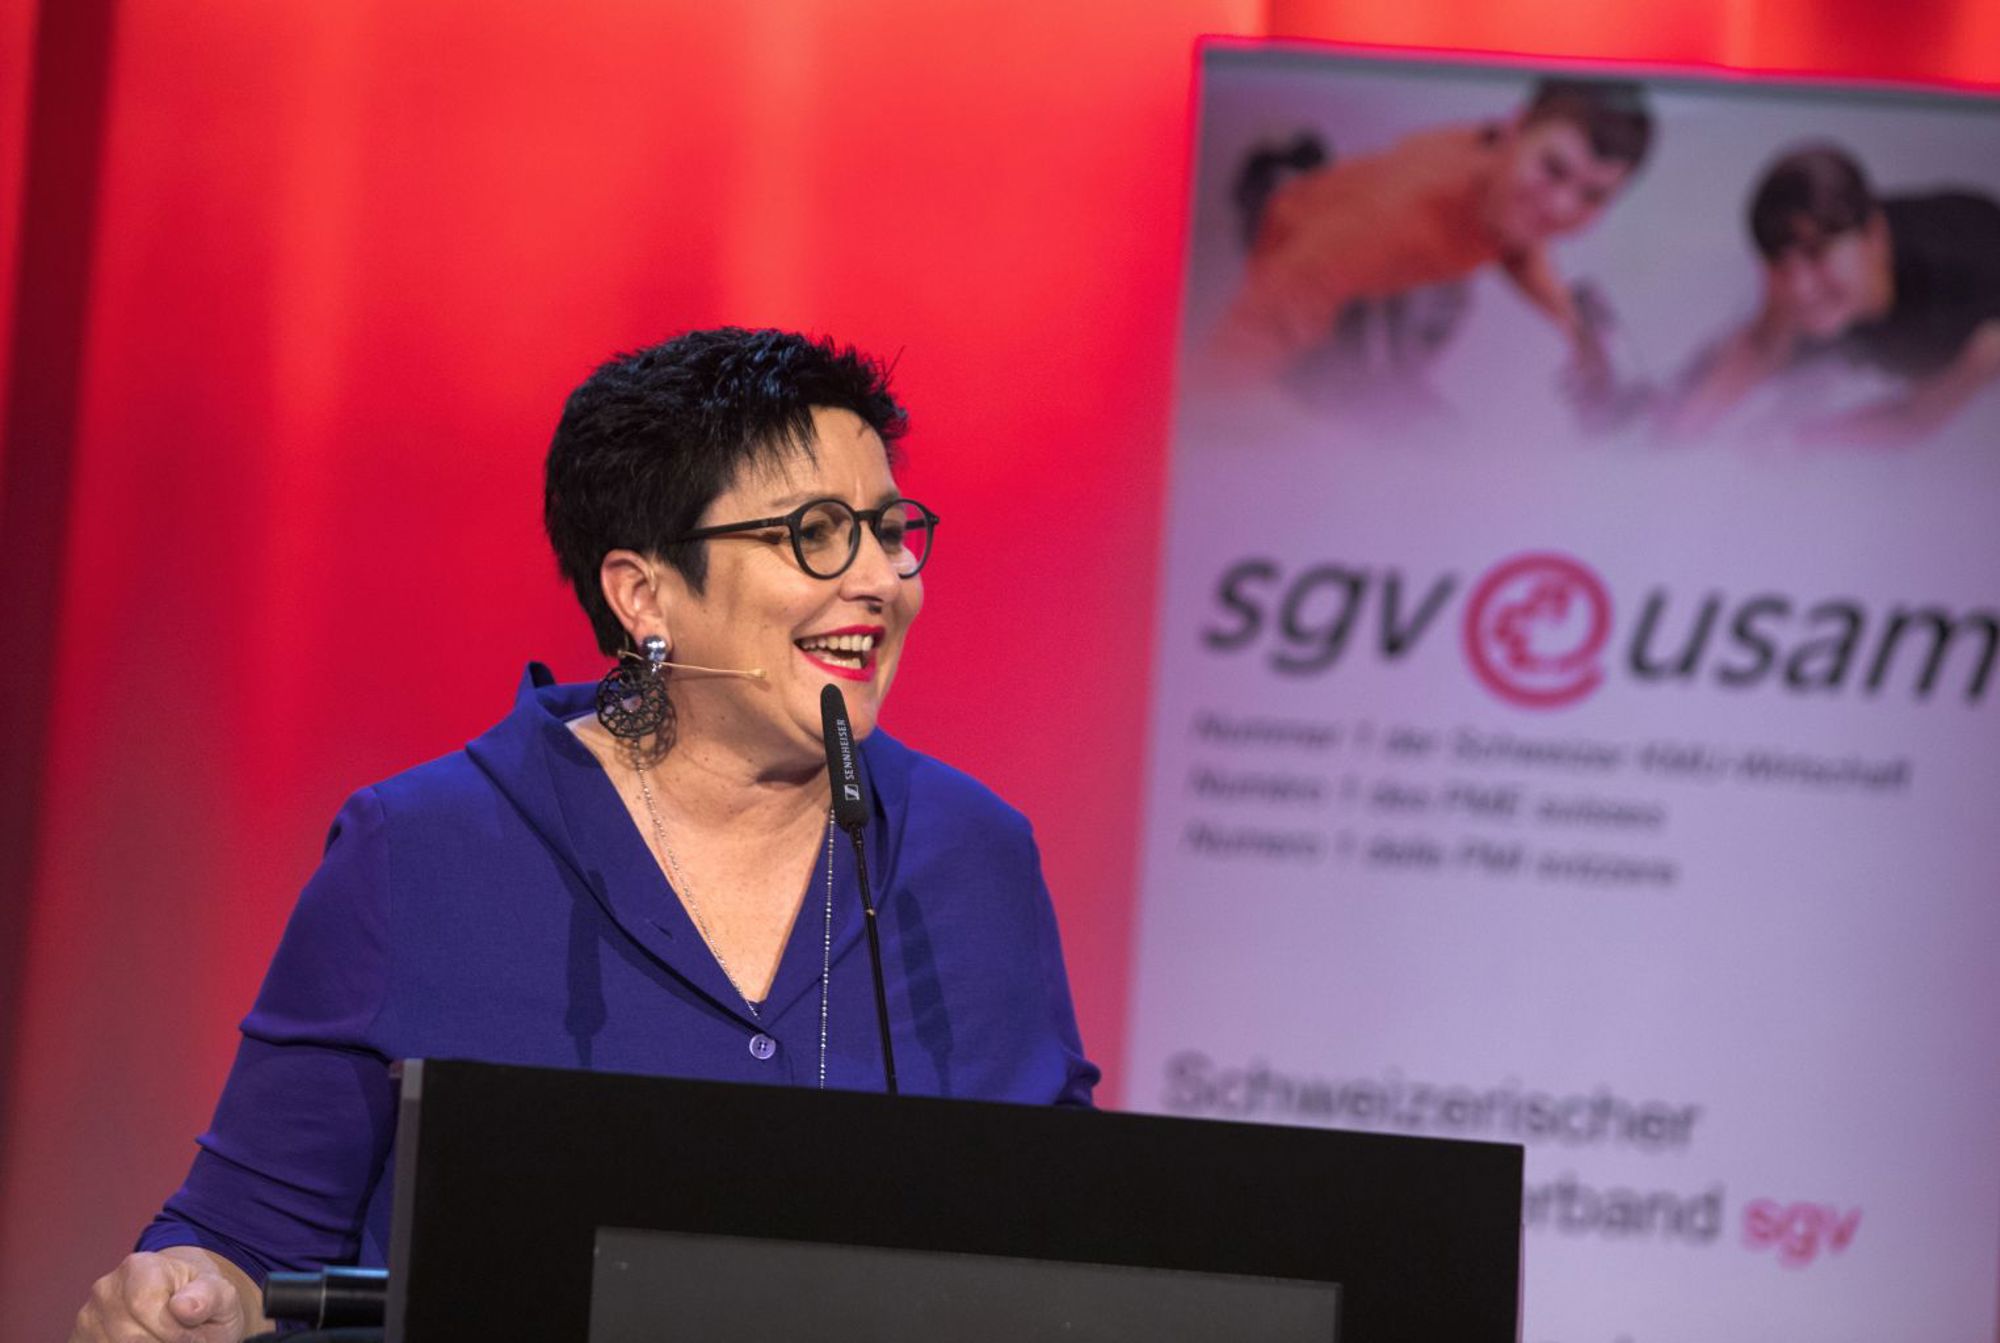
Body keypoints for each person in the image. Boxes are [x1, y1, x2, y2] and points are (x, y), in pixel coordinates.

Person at [70, 327, 1100, 1343]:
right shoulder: (418, 851)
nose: (880, 578)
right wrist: (184, 1295)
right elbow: (240, 1247)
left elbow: (1076, 1251)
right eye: (815, 532)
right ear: (644, 595)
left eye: (887, 529)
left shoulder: (976, 858)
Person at [1208, 78, 1654, 413]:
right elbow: (1229, 365)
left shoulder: (1506, 189)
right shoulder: (1391, 224)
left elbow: (1515, 243)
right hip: (1306, 263)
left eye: (1593, 195)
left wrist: (1570, 323)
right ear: (1515, 129)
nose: (1559, 207)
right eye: (1553, 169)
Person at [1661, 144, 2000, 446]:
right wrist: (1678, 430)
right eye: (1779, 262)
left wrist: (1804, 439)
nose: (1800, 287)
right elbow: (1761, 348)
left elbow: (1915, 419)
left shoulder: (1973, 304)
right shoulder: (1820, 267)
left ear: (1874, 234)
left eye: (1815, 253)